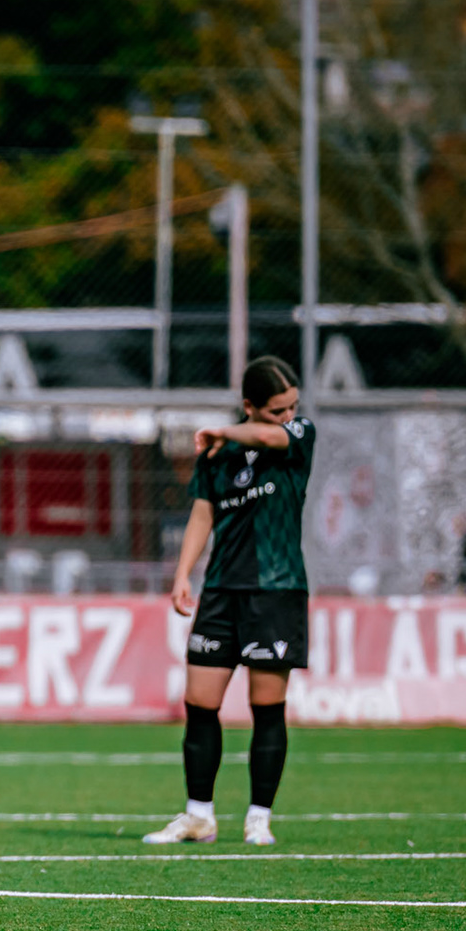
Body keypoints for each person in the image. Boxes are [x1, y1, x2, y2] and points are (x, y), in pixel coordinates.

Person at [144, 356, 315, 848]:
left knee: (267, 706)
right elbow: (202, 514)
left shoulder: (297, 434)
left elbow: (268, 438)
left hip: (276, 591)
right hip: (221, 591)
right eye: (277, 409)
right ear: (250, 406)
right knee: (200, 703)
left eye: (292, 407)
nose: (288, 415)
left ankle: (259, 816)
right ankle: (199, 816)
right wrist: (183, 575)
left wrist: (225, 429)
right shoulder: (217, 456)